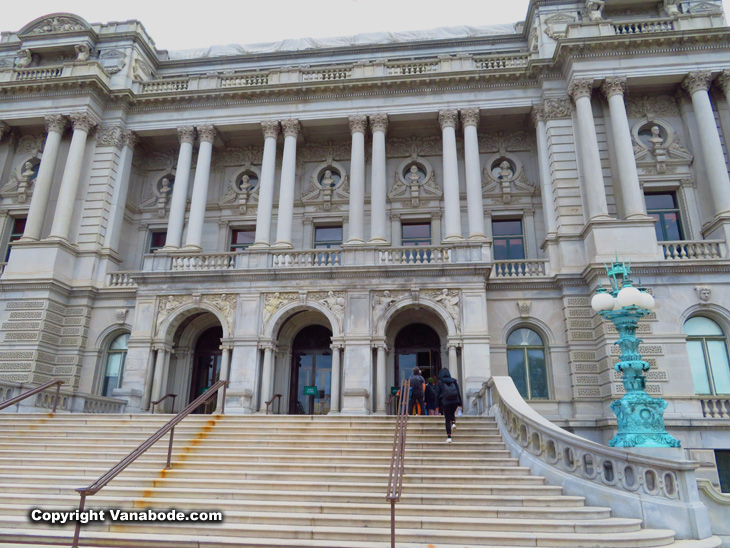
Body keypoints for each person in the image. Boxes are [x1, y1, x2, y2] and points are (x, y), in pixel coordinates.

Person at [434, 368, 462, 443]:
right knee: (452, 414)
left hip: (445, 401)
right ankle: (453, 423)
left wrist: (436, 405)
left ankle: (449, 436)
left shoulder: (440, 382)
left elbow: (437, 394)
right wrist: (460, 403)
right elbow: (458, 392)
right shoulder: (454, 381)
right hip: (455, 401)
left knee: (447, 419)